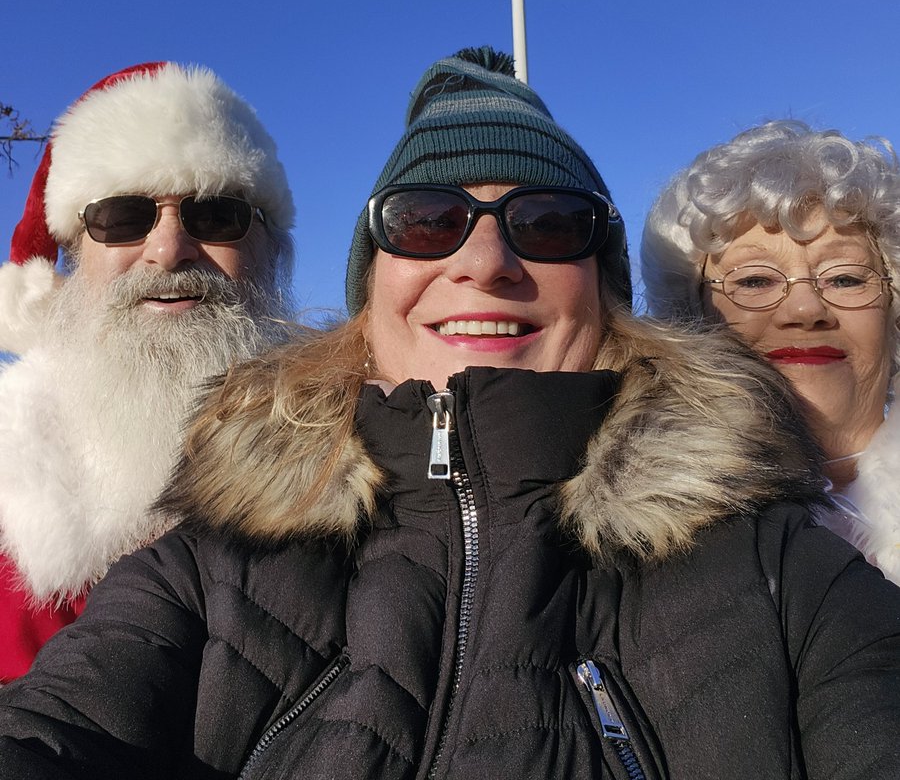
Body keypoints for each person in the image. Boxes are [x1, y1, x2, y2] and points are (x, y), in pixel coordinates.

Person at [1, 49, 899, 780]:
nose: (485, 258)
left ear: (608, 292)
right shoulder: (205, 565)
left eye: (548, 224)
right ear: (369, 296)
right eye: (427, 220)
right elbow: (59, 726)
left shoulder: (783, 568)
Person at [0, 61, 296, 681]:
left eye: (216, 214)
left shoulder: (358, 464)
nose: (169, 249)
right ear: (73, 255)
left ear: (271, 249)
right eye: (123, 217)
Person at [641, 118, 900, 584]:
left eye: (845, 277)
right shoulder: (643, 546)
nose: (806, 308)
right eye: (755, 281)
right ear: (693, 319)